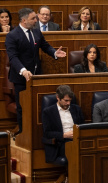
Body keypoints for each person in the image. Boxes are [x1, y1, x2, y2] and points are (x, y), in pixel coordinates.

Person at [6, 7, 66, 135]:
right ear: (23, 20)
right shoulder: (12, 36)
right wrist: (23, 70)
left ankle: (37, 133)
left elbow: (45, 46)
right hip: (21, 78)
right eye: (33, 18)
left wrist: (54, 53)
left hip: (37, 76)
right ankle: (23, 135)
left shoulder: (37, 32)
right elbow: (13, 57)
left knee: (37, 106)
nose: (36, 20)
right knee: (23, 107)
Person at [42, 85, 84, 167]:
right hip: (61, 143)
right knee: (74, 149)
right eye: (66, 100)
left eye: (70, 101)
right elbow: (47, 133)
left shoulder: (76, 109)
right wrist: (64, 135)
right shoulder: (48, 112)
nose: (68, 103)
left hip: (77, 139)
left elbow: (83, 125)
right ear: (58, 98)